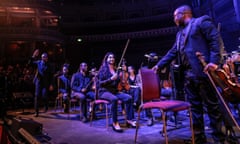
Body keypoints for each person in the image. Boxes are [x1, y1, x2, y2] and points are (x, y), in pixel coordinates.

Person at [152, 5, 225, 144]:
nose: (174, 19)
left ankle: (219, 140)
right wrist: (159, 64)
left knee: (212, 108)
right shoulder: (179, 34)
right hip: (188, 76)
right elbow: (173, 52)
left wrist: (214, 61)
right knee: (194, 109)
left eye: (175, 16)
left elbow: (216, 40)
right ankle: (198, 139)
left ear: (183, 14)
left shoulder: (200, 22)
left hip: (203, 72)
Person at [97, 52, 136, 132]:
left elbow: (120, 82)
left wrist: (124, 72)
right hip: (104, 91)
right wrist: (111, 79)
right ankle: (115, 122)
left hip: (114, 91)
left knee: (129, 98)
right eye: (110, 57)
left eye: (113, 57)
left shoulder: (116, 70)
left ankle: (129, 119)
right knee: (114, 99)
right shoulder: (102, 69)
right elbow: (100, 83)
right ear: (106, 59)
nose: (112, 59)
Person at [28, 49, 54, 117]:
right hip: (38, 82)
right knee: (37, 96)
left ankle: (46, 105)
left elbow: (51, 76)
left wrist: (51, 84)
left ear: (47, 58)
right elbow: (30, 63)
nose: (44, 58)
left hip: (46, 83)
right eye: (43, 57)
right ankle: (36, 112)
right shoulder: (38, 62)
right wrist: (33, 55)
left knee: (44, 95)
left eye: (45, 57)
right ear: (41, 58)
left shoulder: (50, 65)